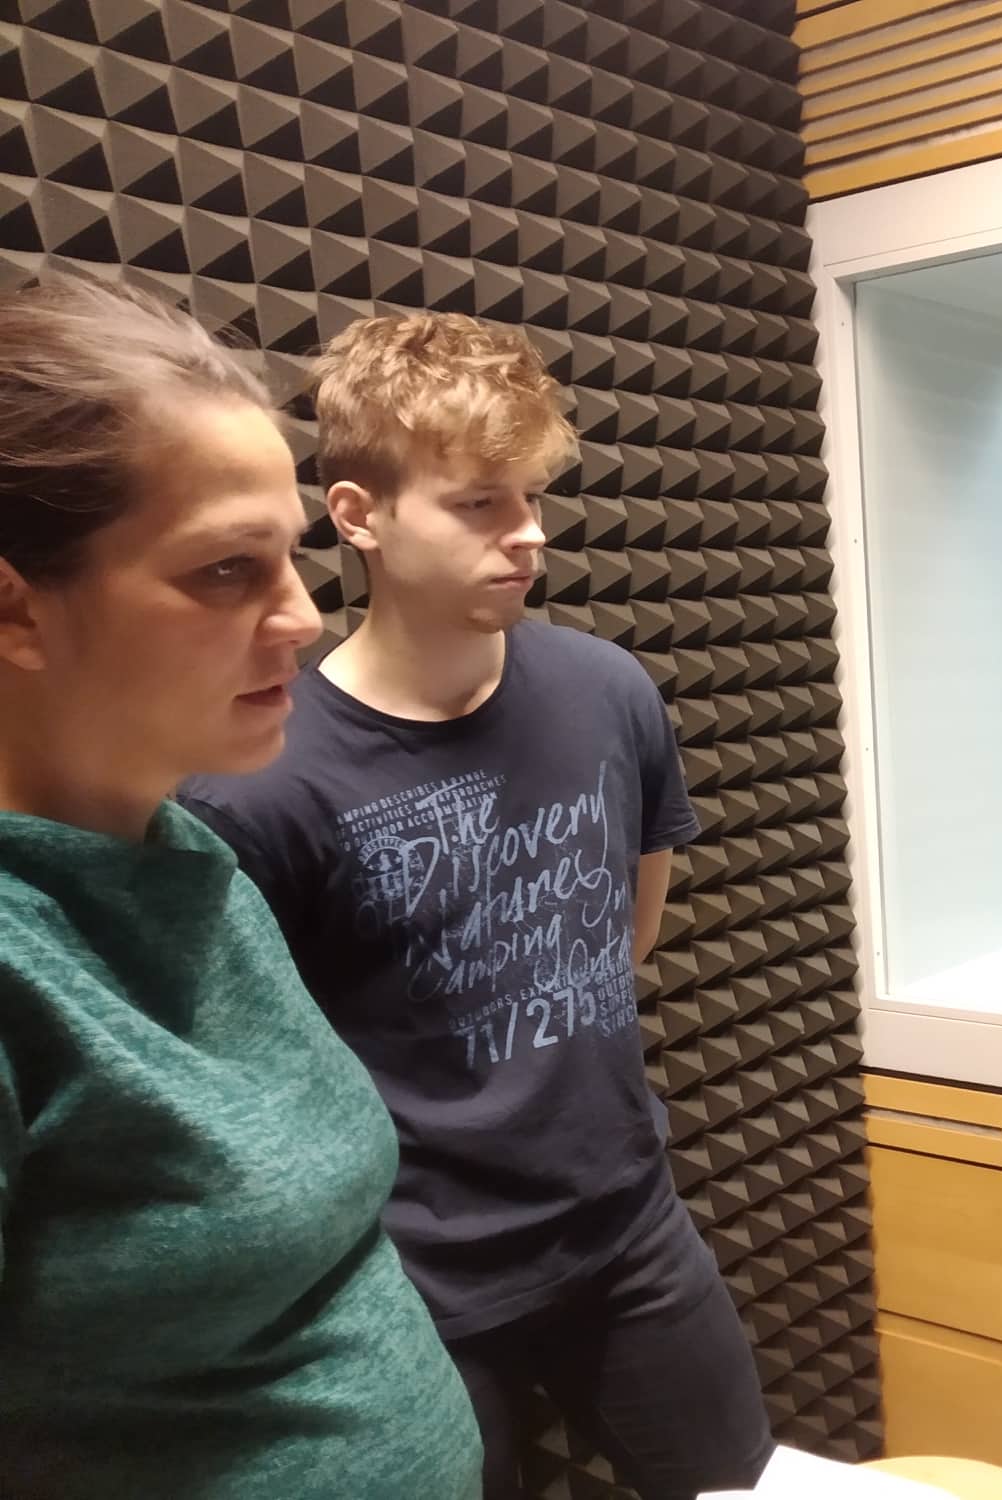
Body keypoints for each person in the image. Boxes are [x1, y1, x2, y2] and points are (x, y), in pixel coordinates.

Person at [179, 311, 774, 1499]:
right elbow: (267, 1085)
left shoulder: (607, 691)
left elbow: (627, 932)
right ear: (359, 517)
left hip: (629, 1228)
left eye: (531, 496)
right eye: (479, 503)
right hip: (419, 1279)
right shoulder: (259, 785)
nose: (528, 531)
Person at [0, 276, 480, 1496]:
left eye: (292, 558)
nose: (303, 619)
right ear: (14, 610)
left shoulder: (187, 854)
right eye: (226, 570)